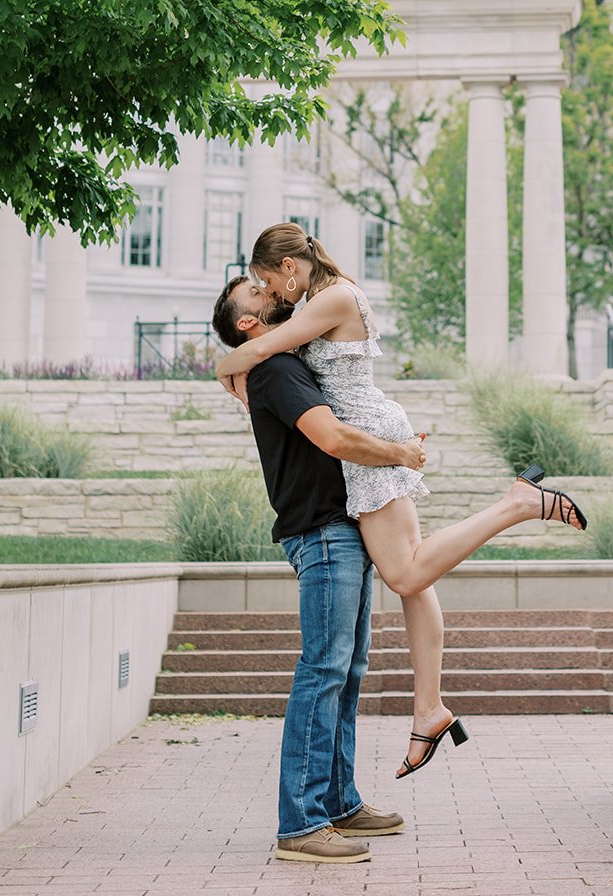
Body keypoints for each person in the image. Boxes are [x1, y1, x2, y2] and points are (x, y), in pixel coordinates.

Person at [215, 220, 588, 779]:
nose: (270, 291)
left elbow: (262, 347)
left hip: (365, 437)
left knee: (408, 572)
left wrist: (223, 366)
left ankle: (518, 504)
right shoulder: (322, 297)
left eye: (267, 281)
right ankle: (429, 709)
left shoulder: (333, 297)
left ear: (289, 268)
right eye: (260, 289)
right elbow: (266, 353)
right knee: (415, 581)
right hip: (367, 433)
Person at [211, 275, 427, 866]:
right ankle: (301, 823)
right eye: (256, 292)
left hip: (342, 527)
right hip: (322, 532)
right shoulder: (276, 371)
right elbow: (331, 438)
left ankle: (338, 802)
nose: (270, 289)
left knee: (347, 670)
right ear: (248, 323)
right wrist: (403, 453)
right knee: (324, 670)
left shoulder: (287, 359)